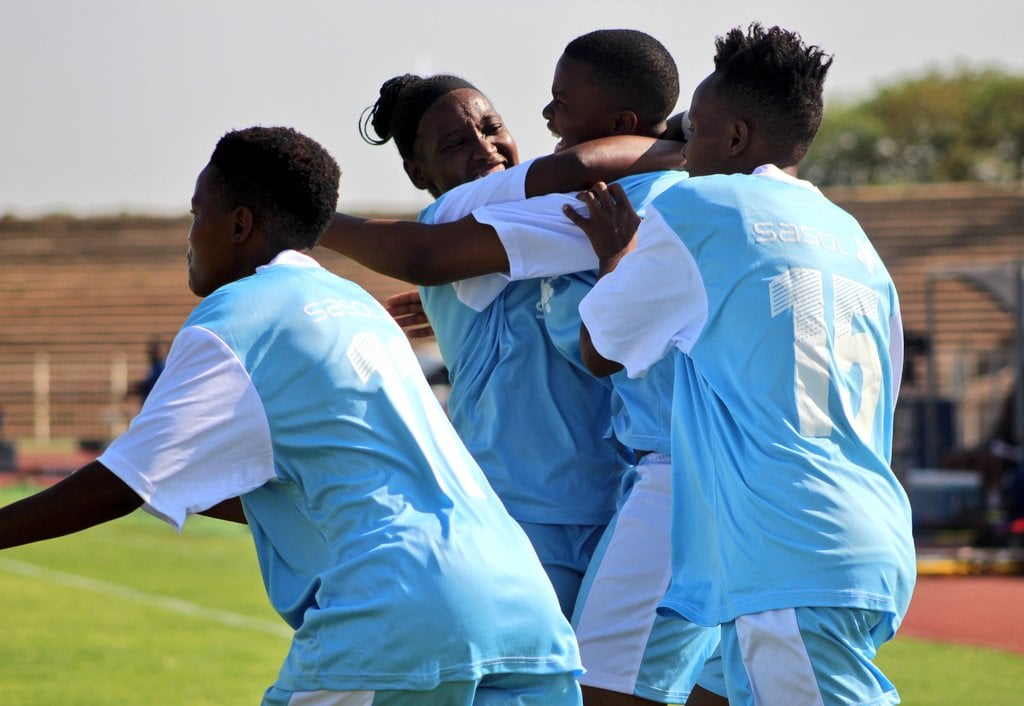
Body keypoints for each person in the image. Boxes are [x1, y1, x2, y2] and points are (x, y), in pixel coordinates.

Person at [0, 126, 584, 706]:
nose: (189, 236)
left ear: (238, 224)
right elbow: (330, 484)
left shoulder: (239, 315)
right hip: (522, 604)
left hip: (400, 609)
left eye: (196, 213)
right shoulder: (354, 303)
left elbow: (122, 483)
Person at [319, 30, 722, 706]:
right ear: (422, 175)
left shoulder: (547, 215)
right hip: (528, 517)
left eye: (490, 125)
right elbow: (430, 252)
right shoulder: (459, 219)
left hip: (620, 501)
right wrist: (688, 142)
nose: (484, 147)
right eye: (453, 143)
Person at [567, 24, 916, 705]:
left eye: (692, 133)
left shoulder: (703, 207)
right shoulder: (855, 239)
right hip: (864, 537)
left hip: (786, 549)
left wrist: (616, 259)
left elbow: (600, 348)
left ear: (734, 138)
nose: (679, 154)